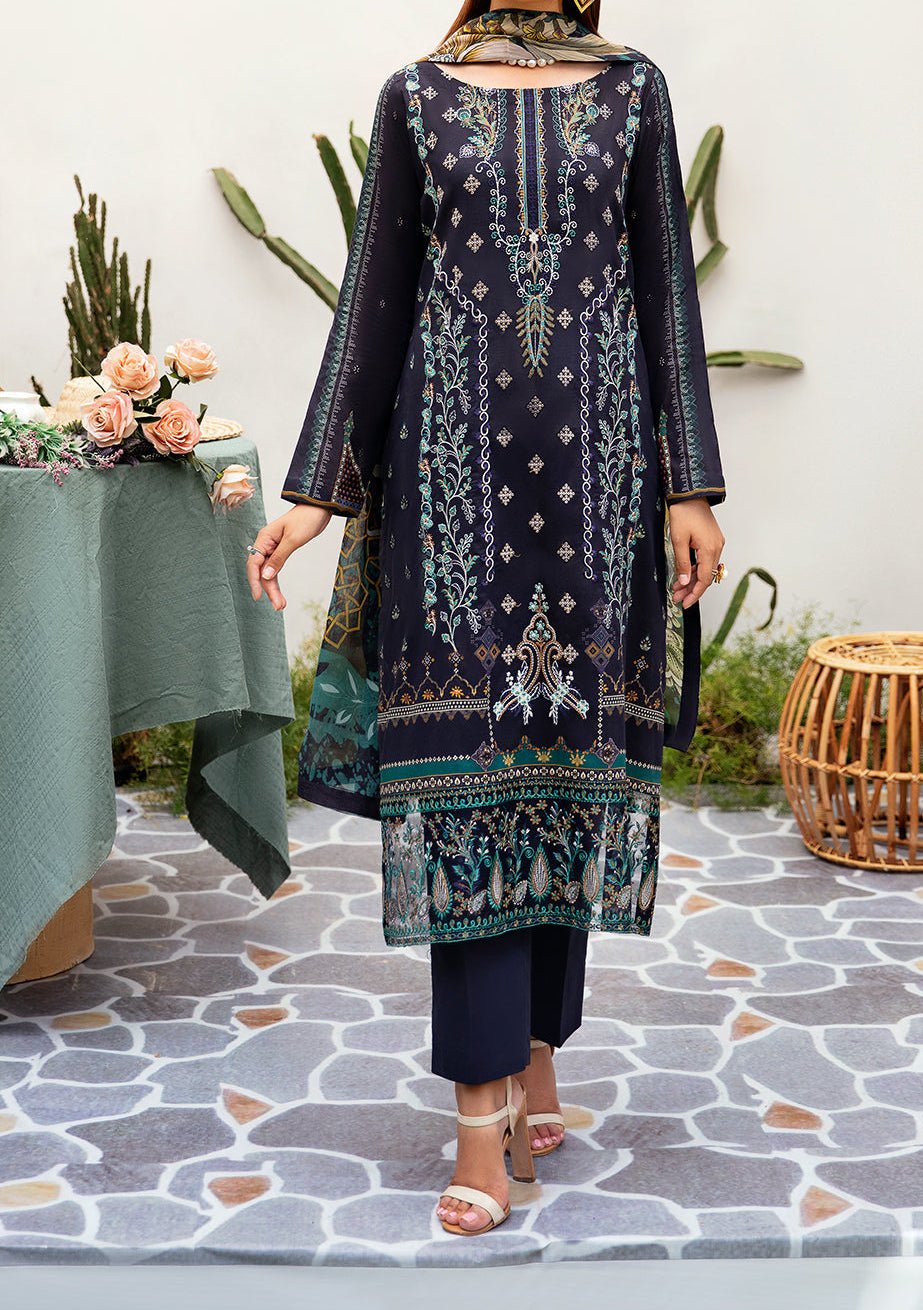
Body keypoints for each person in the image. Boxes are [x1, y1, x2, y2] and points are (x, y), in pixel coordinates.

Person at [246, 0, 727, 1237]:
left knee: (563, 774)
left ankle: (536, 1050)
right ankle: (478, 1117)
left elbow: (665, 293)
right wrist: (313, 494)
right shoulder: (417, 94)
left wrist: (687, 486)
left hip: (600, 485)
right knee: (464, 782)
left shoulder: (631, 89)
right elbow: (372, 301)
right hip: (448, 489)